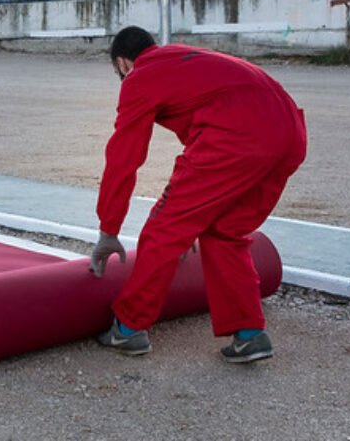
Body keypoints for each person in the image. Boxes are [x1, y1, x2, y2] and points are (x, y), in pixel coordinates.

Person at [90, 26, 306, 363]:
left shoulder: (140, 76)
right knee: (225, 231)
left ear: (122, 63)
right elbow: (207, 124)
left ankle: (129, 328)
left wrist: (108, 228)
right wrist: (196, 216)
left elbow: (123, 159)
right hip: (290, 132)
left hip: (239, 136)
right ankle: (249, 334)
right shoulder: (184, 59)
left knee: (164, 229)